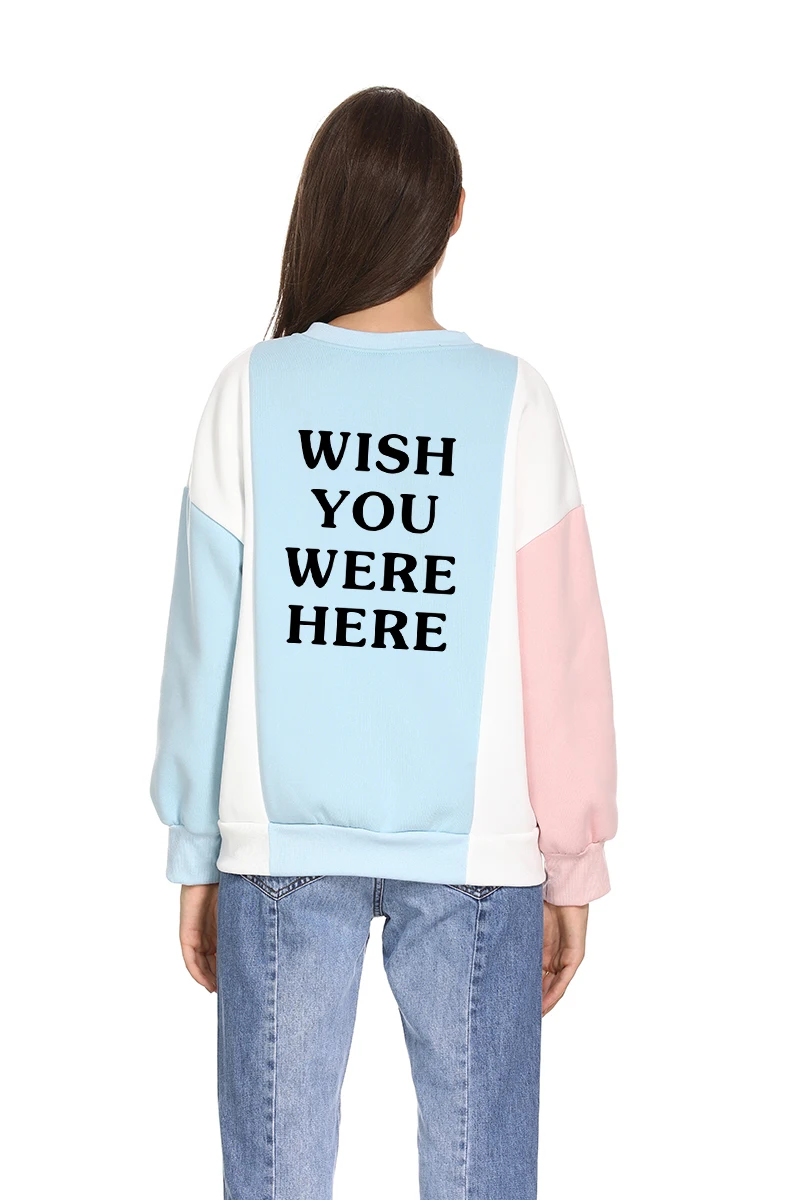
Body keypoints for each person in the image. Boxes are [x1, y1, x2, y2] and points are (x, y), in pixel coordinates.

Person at [150, 85, 617, 1200]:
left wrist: (194, 849)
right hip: (475, 851)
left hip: (277, 844)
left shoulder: (249, 390)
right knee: (479, 1180)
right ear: (453, 215)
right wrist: (572, 862)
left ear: (321, 209)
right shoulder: (513, 400)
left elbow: (200, 645)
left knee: (273, 1179)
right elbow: (561, 654)